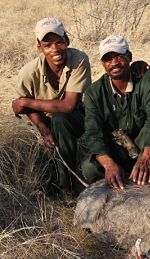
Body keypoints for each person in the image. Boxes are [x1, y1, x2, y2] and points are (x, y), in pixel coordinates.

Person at [12, 17, 91, 193]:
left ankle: (67, 186)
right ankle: (53, 181)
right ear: (39, 47)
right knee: (37, 163)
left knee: (61, 118)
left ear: (67, 41)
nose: (55, 49)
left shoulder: (79, 59)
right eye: (48, 45)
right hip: (44, 121)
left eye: (59, 42)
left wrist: (25, 101)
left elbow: (69, 105)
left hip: (74, 118)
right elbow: (27, 110)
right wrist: (42, 128)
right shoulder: (28, 72)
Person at [81, 35, 150, 190]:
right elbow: (93, 133)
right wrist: (108, 164)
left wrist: (146, 156)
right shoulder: (93, 93)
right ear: (102, 64)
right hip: (115, 153)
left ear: (129, 57)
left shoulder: (148, 79)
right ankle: (114, 191)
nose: (114, 63)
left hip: (143, 147)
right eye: (108, 59)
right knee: (89, 167)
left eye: (119, 56)